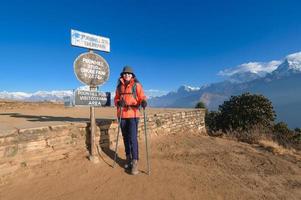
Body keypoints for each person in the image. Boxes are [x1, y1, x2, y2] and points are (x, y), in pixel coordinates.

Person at [114, 66, 147, 175]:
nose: (127, 75)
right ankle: (128, 158)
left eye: (129, 74)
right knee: (125, 138)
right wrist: (118, 103)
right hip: (122, 114)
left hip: (133, 114)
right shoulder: (119, 87)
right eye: (125, 74)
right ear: (122, 75)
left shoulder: (136, 85)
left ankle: (135, 162)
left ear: (132, 75)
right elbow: (116, 99)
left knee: (133, 138)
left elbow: (142, 96)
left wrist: (143, 102)